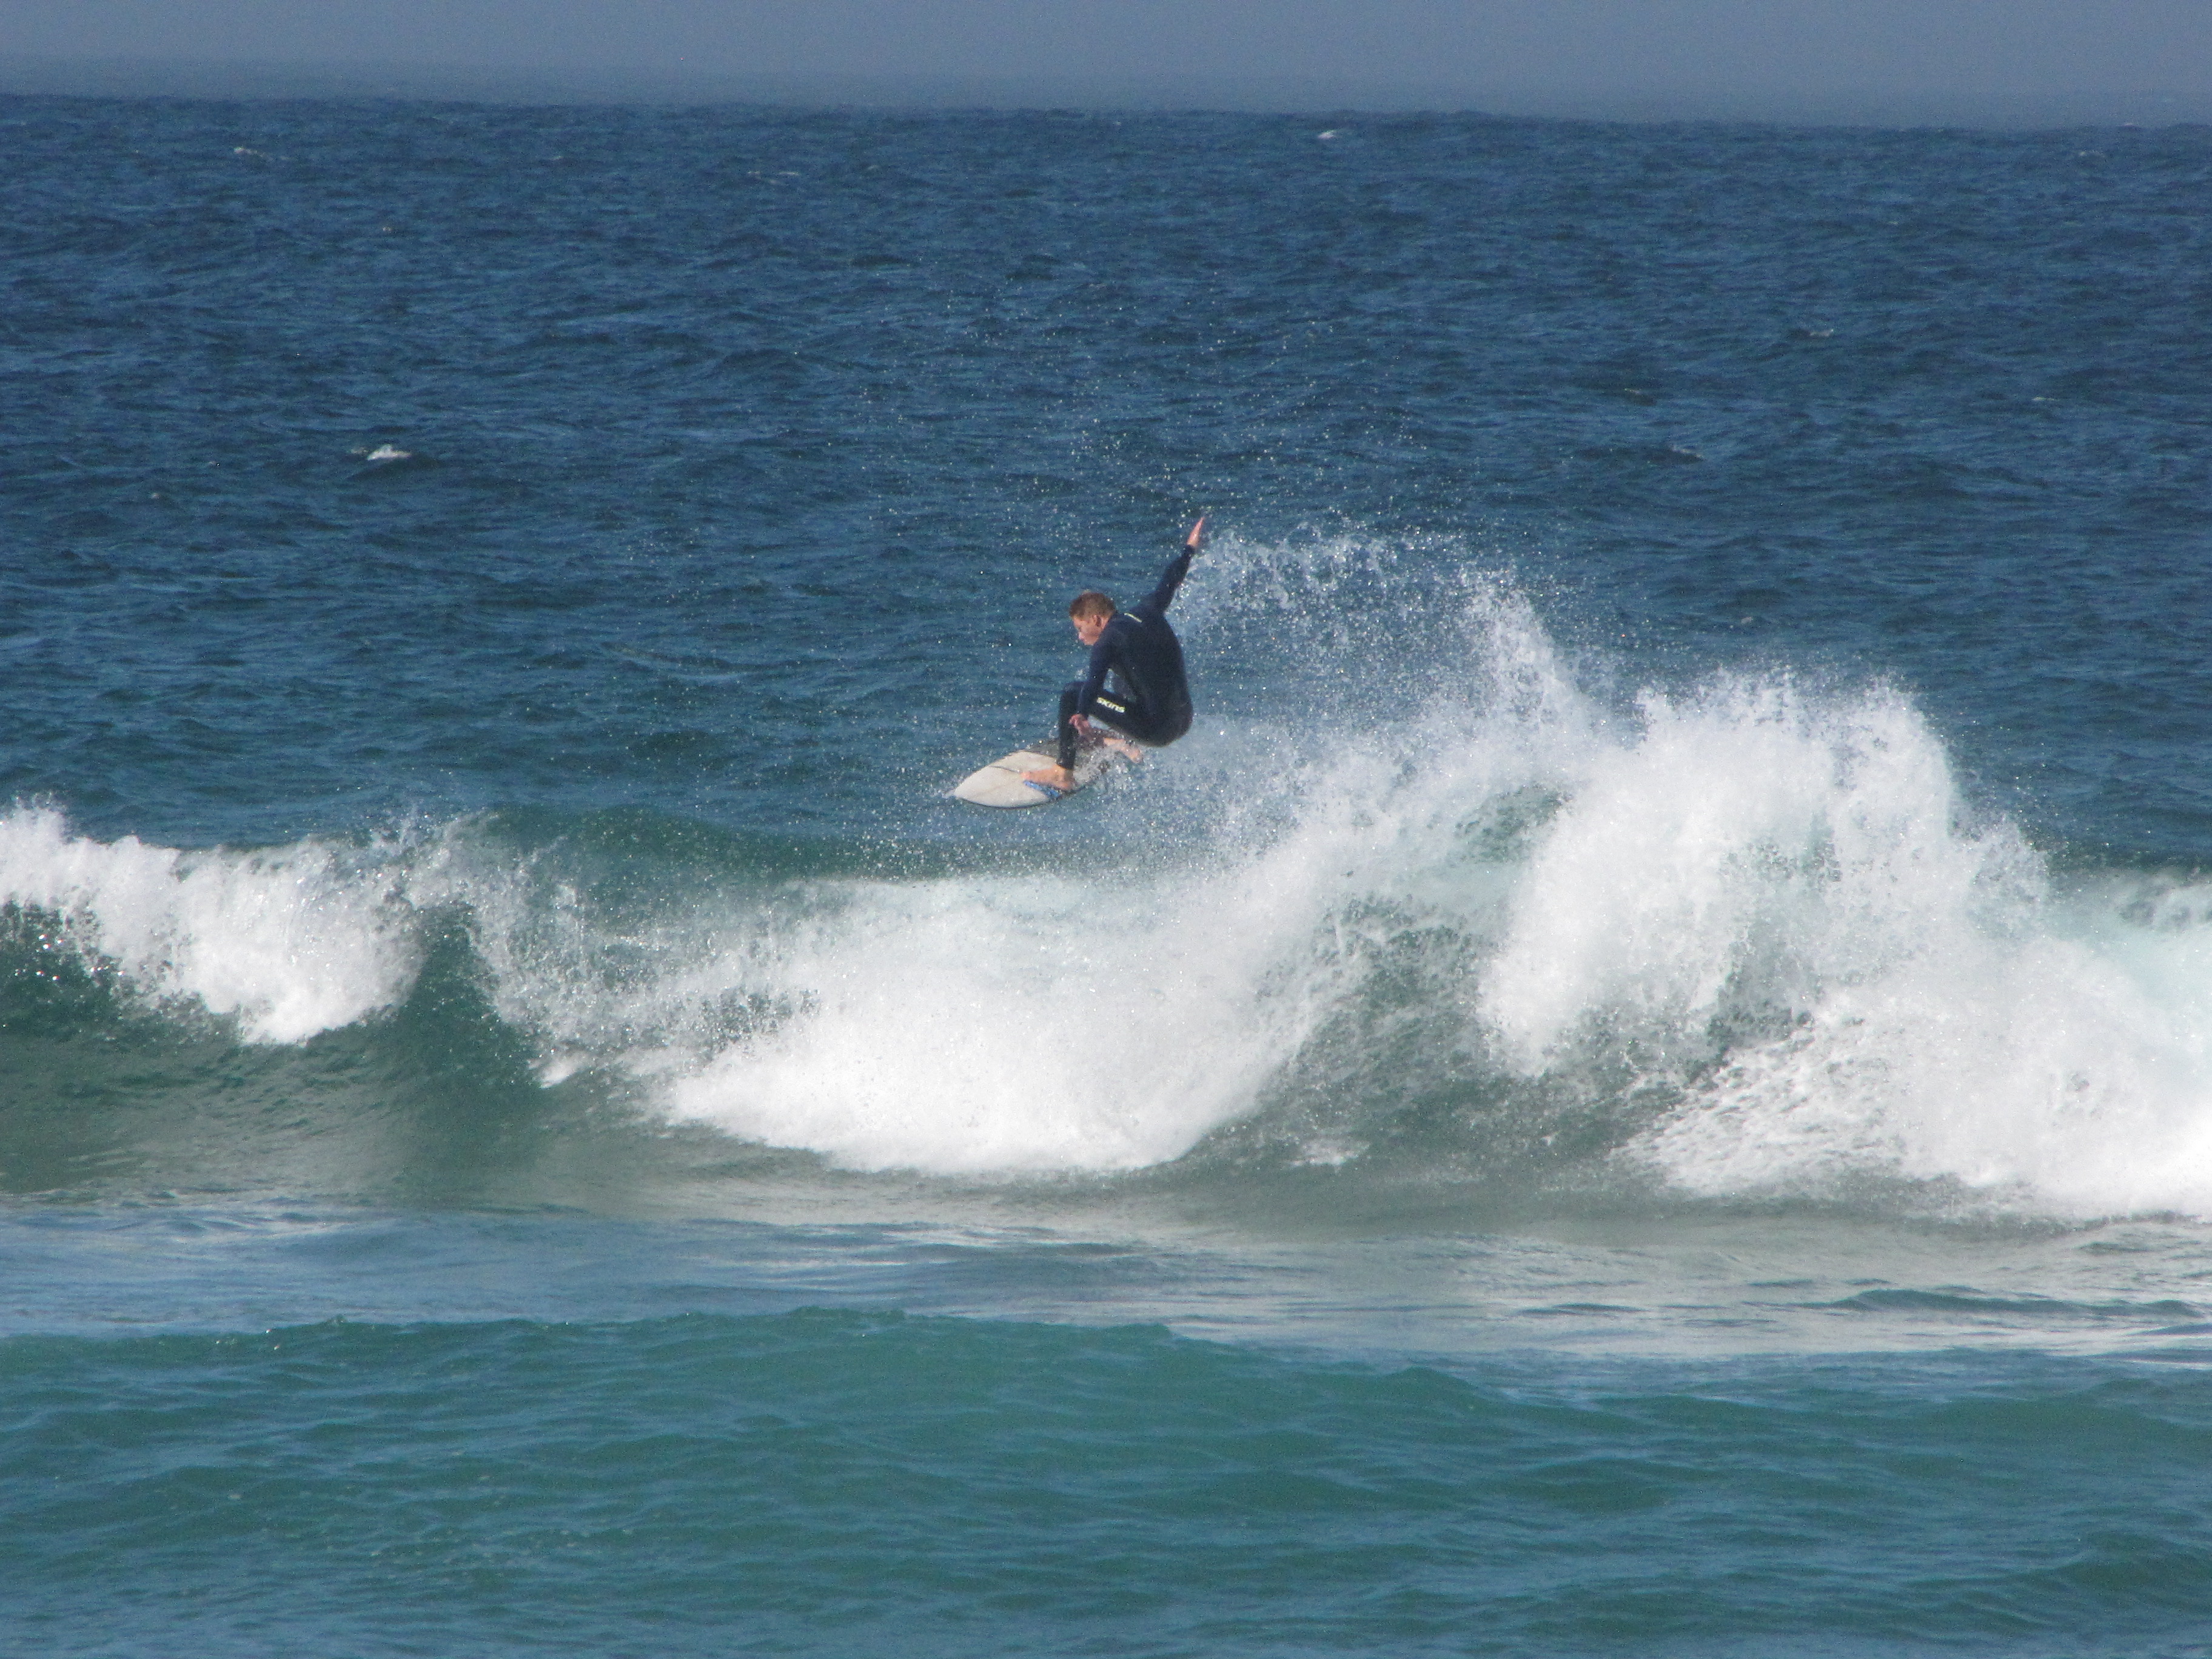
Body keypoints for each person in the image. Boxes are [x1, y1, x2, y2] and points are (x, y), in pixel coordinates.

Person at [1023, 517, 1205, 794]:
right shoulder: (1147, 611)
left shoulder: (1108, 641)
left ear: (1096, 619)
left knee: (1073, 692)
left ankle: (1063, 772)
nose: (1080, 637)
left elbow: (1093, 681)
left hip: (1157, 730)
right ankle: (1117, 739)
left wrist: (1081, 715)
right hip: (1183, 720)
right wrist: (1188, 550)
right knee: (1127, 672)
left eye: (1081, 628)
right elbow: (1170, 581)